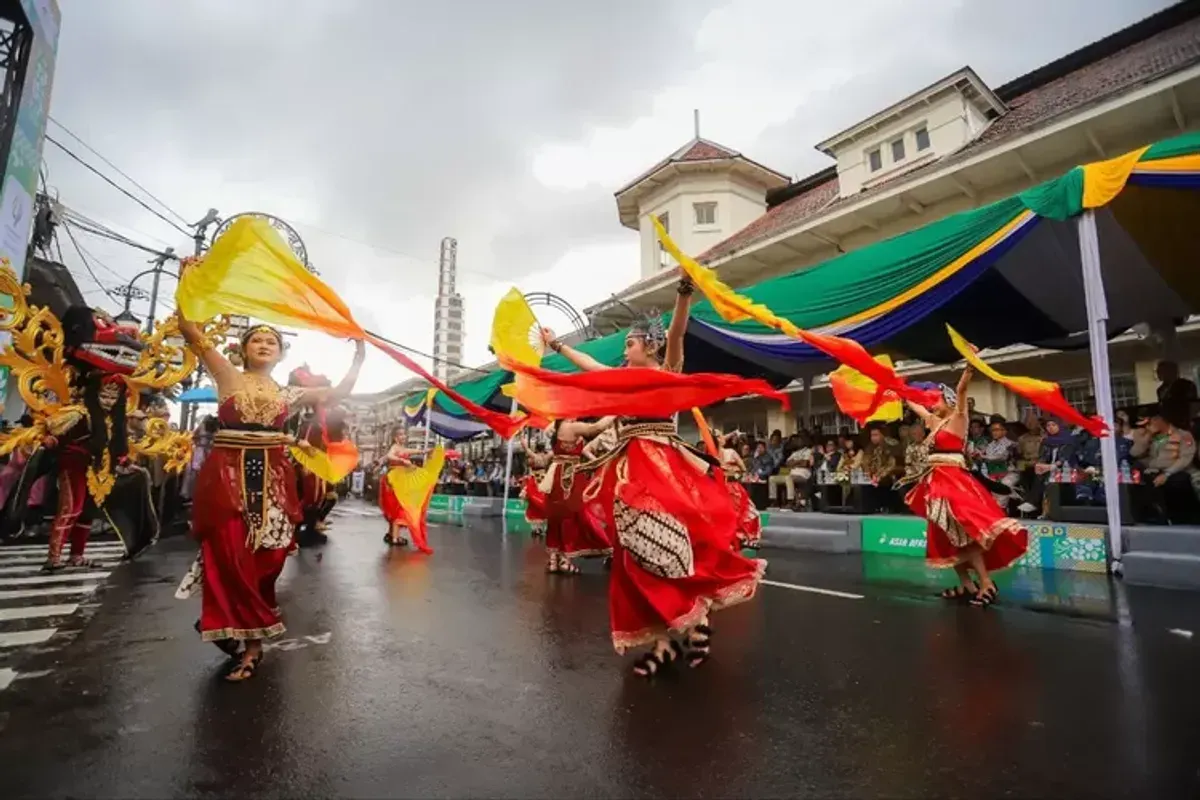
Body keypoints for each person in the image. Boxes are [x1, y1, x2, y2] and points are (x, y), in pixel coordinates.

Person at [539, 274, 766, 677]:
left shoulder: (667, 372)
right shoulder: (623, 384)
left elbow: (678, 334)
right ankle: (663, 643)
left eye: (630, 343)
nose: (624, 351)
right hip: (629, 477)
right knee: (632, 561)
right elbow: (590, 365)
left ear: (651, 347)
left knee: (671, 550)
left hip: (663, 473)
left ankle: (696, 623)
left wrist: (683, 296)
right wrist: (557, 345)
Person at [175, 317, 365, 682]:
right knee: (230, 551)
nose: (264, 345)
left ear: (280, 354)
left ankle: (237, 623)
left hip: (272, 480)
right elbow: (191, 332)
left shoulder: (287, 394)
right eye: (257, 340)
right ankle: (250, 647)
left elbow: (337, 393)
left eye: (271, 342)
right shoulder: (226, 374)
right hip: (227, 478)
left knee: (270, 558)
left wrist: (359, 354)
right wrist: (188, 289)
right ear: (243, 349)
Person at [903, 369, 1028, 608]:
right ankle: (967, 584)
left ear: (947, 400)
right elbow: (915, 407)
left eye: (935, 400)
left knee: (963, 533)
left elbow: (961, 390)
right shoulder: (934, 422)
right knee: (944, 535)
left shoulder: (959, 417)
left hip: (954, 482)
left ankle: (985, 582)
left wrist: (968, 371)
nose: (931, 405)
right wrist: (898, 390)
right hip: (936, 482)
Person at [542, 417, 615, 574]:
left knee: (556, 517)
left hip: (558, 475)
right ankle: (565, 561)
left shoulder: (557, 426)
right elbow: (595, 427)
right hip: (568, 476)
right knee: (571, 515)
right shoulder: (570, 426)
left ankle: (554, 560)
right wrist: (616, 412)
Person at [379, 429, 417, 547]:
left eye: (404, 434)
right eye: (401, 434)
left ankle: (391, 534)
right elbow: (390, 456)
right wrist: (402, 460)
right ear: (395, 437)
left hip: (398, 481)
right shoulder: (395, 448)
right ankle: (395, 538)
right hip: (395, 481)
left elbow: (415, 450)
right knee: (398, 508)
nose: (403, 436)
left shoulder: (401, 448)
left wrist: (426, 450)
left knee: (394, 509)